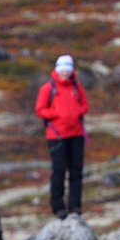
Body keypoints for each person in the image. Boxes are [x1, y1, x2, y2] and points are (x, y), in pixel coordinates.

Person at [35, 54, 88, 218]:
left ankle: (75, 207)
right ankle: (58, 207)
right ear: (58, 70)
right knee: (58, 171)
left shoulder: (77, 86)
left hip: (76, 134)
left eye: (68, 69)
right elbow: (40, 109)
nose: (65, 72)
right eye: (63, 69)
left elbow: (85, 105)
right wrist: (57, 114)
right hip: (57, 135)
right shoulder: (48, 88)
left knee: (76, 172)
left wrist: (76, 112)